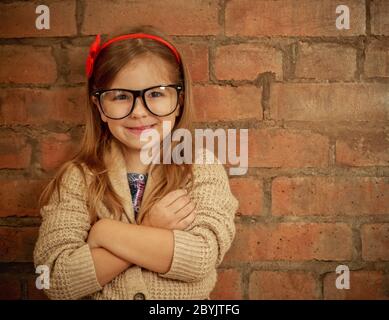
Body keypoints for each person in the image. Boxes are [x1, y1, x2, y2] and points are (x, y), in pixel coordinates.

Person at [33, 25, 239, 300]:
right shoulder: (79, 177)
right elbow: (55, 279)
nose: (139, 112)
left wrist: (105, 232)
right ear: (100, 108)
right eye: (120, 97)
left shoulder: (199, 168)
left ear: (178, 101)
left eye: (155, 94)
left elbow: (200, 257)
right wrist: (150, 230)